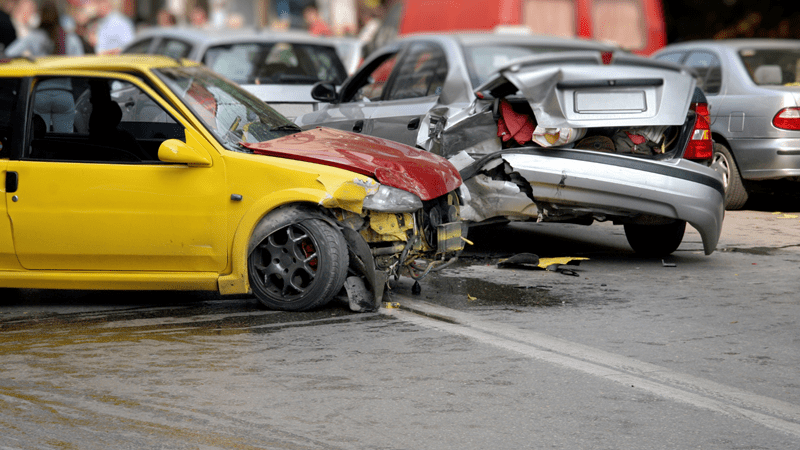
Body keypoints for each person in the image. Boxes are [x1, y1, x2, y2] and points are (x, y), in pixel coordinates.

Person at [5, 0, 83, 133]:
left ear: (40, 15)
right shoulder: (70, 38)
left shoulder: (34, 37)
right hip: (64, 93)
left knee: (40, 139)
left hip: (40, 93)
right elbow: (82, 64)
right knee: (64, 141)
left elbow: (9, 53)